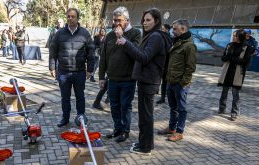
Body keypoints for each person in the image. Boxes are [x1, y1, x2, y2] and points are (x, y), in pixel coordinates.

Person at [115, 8, 171, 154]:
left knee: (146, 116)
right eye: (144, 20)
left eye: (148, 20)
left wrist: (125, 42)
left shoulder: (156, 37)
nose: (144, 23)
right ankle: (145, 143)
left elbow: (143, 57)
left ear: (156, 21)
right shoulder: (151, 35)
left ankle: (145, 147)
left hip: (149, 81)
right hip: (146, 80)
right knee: (144, 115)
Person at [98, 6, 141, 142]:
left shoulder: (136, 33)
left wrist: (121, 37)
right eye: (115, 20)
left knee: (125, 106)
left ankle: (125, 131)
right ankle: (117, 128)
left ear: (127, 20)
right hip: (112, 78)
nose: (116, 23)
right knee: (114, 106)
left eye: (119, 20)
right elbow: (103, 57)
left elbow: (135, 53)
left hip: (128, 79)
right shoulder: (109, 35)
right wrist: (101, 77)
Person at [49, 8, 95, 127]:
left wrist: (90, 69)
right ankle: (65, 118)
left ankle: (81, 118)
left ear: (77, 18)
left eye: (72, 16)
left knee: (80, 96)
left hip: (79, 72)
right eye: (68, 16)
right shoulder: (59, 33)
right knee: (65, 97)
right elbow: (53, 51)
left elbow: (91, 52)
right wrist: (52, 67)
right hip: (63, 72)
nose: (70, 18)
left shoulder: (85, 33)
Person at [157, 19, 197, 142]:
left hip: (180, 83)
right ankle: (171, 128)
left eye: (175, 29)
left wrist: (183, 83)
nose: (172, 31)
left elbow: (190, 68)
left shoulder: (189, 45)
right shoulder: (176, 42)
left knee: (181, 108)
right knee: (173, 107)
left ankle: (179, 132)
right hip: (170, 80)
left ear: (183, 29)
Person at [218, 29, 251, 121]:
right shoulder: (229, 45)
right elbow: (223, 57)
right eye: (233, 35)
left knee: (235, 93)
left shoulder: (247, 47)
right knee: (224, 91)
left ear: (240, 36)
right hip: (227, 72)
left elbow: (246, 62)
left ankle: (234, 112)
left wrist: (231, 58)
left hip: (237, 73)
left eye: (235, 36)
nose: (234, 37)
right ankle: (221, 108)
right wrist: (227, 57)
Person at [156, 24, 173, 104]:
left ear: (167, 30)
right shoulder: (162, 37)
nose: (161, 30)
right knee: (158, 79)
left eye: (162, 29)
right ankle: (157, 91)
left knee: (165, 82)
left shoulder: (170, 38)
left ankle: (163, 97)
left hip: (167, 63)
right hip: (161, 63)